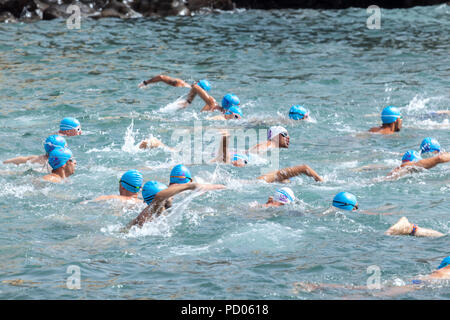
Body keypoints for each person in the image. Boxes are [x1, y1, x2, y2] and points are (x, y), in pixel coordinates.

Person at [292, 256, 450, 296]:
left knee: (372, 289)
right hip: (423, 282)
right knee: (375, 294)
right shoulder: (442, 274)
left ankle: (318, 286)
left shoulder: (441, 271)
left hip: (420, 279)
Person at [127, 180, 225, 228]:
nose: (172, 197)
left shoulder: (156, 212)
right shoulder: (152, 211)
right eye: (170, 194)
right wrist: (190, 186)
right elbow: (159, 196)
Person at [138, 74, 210, 108]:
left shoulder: (191, 98)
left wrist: (145, 83)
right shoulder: (181, 84)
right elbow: (161, 77)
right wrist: (145, 83)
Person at [257, 163, 323, 183]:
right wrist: (322, 182)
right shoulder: (274, 176)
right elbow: (304, 168)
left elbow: (304, 168)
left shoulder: (273, 177)